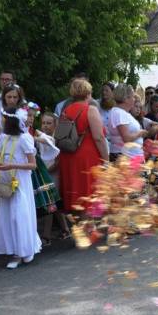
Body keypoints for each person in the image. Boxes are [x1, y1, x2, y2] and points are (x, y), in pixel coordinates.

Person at [0, 108, 41, 269]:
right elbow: (0, 157)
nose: (1, 120)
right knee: (7, 217)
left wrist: (12, 165)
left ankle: (22, 252)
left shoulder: (24, 138)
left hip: (20, 181)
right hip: (5, 181)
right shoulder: (3, 137)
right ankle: (14, 250)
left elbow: (33, 165)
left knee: (19, 215)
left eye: (4, 118)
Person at [57, 79, 109, 214]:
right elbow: (99, 137)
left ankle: (75, 221)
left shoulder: (65, 110)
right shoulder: (90, 110)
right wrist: (106, 160)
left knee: (74, 191)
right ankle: (88, 222)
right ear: (88, 93)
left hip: (68, 155)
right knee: (88, 192)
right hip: (86, 157)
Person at [24, 103, 64, 244]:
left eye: (49, 123)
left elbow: (57, 157)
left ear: (55, 124)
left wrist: (32, 138)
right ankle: (65, 229)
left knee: (50, 202)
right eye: (44, 123)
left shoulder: (53, 137)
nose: (45, 126)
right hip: (42, 171)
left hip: (51, 172)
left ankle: (46, 235)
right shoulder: (34, 132)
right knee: (52, 202)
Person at [105, 83, 150, 163]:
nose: (134, 99)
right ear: (126, 99)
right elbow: (126, 138)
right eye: (132, 97)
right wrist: (140, 133)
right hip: (126, 158)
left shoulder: (121, 112)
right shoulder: (119, 113)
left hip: (131, 157)